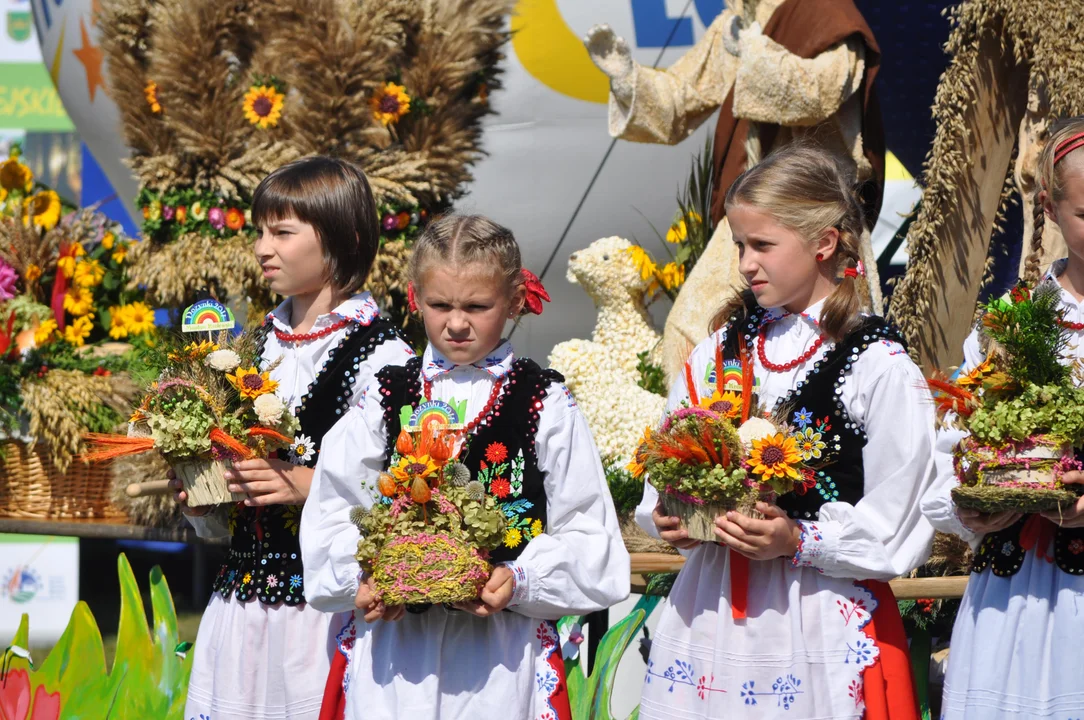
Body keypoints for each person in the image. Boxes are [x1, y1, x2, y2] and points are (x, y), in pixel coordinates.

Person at [635, 143, 934, 719]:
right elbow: (665, 458)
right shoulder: (721, 349)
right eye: (740, 246)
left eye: (762, 246)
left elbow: (902, 509)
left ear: (825, 241)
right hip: (714, 607)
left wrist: (799, 541)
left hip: (819, 609)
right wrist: (672, 517)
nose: (746, 264)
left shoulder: (876, 361)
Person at [301, 214, 630, 719]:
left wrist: (518, 580)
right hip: (394, 656)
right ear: (415, 298)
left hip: (498, 658)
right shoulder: (384, 396)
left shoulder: (544, 401)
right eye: (440, 305)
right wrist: (364, 576)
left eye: (477, 306)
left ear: (517, 300)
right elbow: (333, 506)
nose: (456, 323)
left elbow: (591, 533)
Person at [170, 156, 414, 720]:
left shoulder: (385, 358)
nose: (262, 247)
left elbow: (416, 485)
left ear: (343, 239)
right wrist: (203, 497)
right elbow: (223, 511)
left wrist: (312, 483)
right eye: (260, 231)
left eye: (282, 232)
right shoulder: (249, 349)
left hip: (325, 614)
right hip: (240, 603)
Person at [922, 117, 1084, 719]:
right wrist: (974, 506)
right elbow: (953, 455)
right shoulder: (1007, 327)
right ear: (1050, 207)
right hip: (1015, 598)